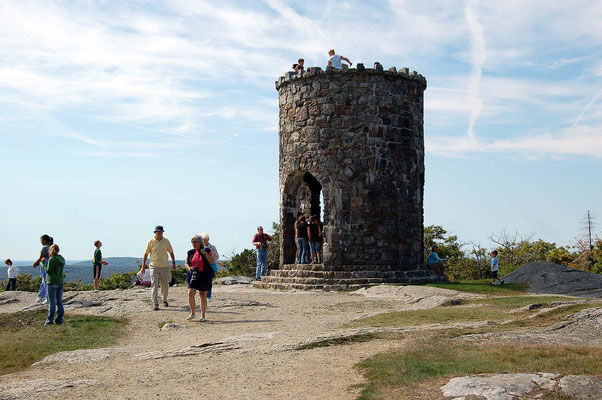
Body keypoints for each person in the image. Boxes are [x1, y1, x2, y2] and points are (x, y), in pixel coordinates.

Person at [142, 226, 176, 311]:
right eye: (158, 232)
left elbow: (171, 252)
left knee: (165, 284)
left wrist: (174, 262)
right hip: (154, 265)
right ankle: (155, 303)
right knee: (154, 284)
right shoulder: (151, 242)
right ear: (155, 232)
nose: (160, 233)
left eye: (161, 232)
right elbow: (146, 254)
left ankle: (164, 299)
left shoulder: (166, 241)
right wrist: (143, 266)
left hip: (165, 266)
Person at [185, 235, 215, 322]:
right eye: (192, 242)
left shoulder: (207, 251)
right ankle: (192, 313)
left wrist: (205, 253)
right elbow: (186, 263)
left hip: (204, 275)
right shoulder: (190, 252)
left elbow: (212, 261)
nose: (193, 244)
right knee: (190, 292)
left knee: (203, 295)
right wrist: (189, 268)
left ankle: (203, 315)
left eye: (195, 242)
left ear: (200, 242)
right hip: (193, 274)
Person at [44, 244, 65, 325]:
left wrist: (43, 264)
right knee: (59, 302)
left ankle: (49, 321)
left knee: (52, 303)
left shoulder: (52, 259)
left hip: (52, 282)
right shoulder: (61, 259)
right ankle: (59, 319)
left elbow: (48, 271)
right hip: (60, 282)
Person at [33, 234, 53, 304]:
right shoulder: (51, 247)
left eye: (41, 241)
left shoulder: (44, 248)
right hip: (50, 265)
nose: (41, 242)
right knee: (44, 281)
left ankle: (47, 298)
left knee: (45, 281)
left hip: (45, 265)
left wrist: (35, 263)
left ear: (44, 240)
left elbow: (40, 257)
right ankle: (41, 296)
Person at [201, 233, 219, 299]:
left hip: (210, 266)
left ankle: (208, 295)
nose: (204, 241)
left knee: (209, 281)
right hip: (202, 266)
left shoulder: (212, 247)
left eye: (205, 239)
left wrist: (211, 259)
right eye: (202, 240)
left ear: (208, 239)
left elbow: (217, 256)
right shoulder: (200, 247)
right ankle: (203, 294)